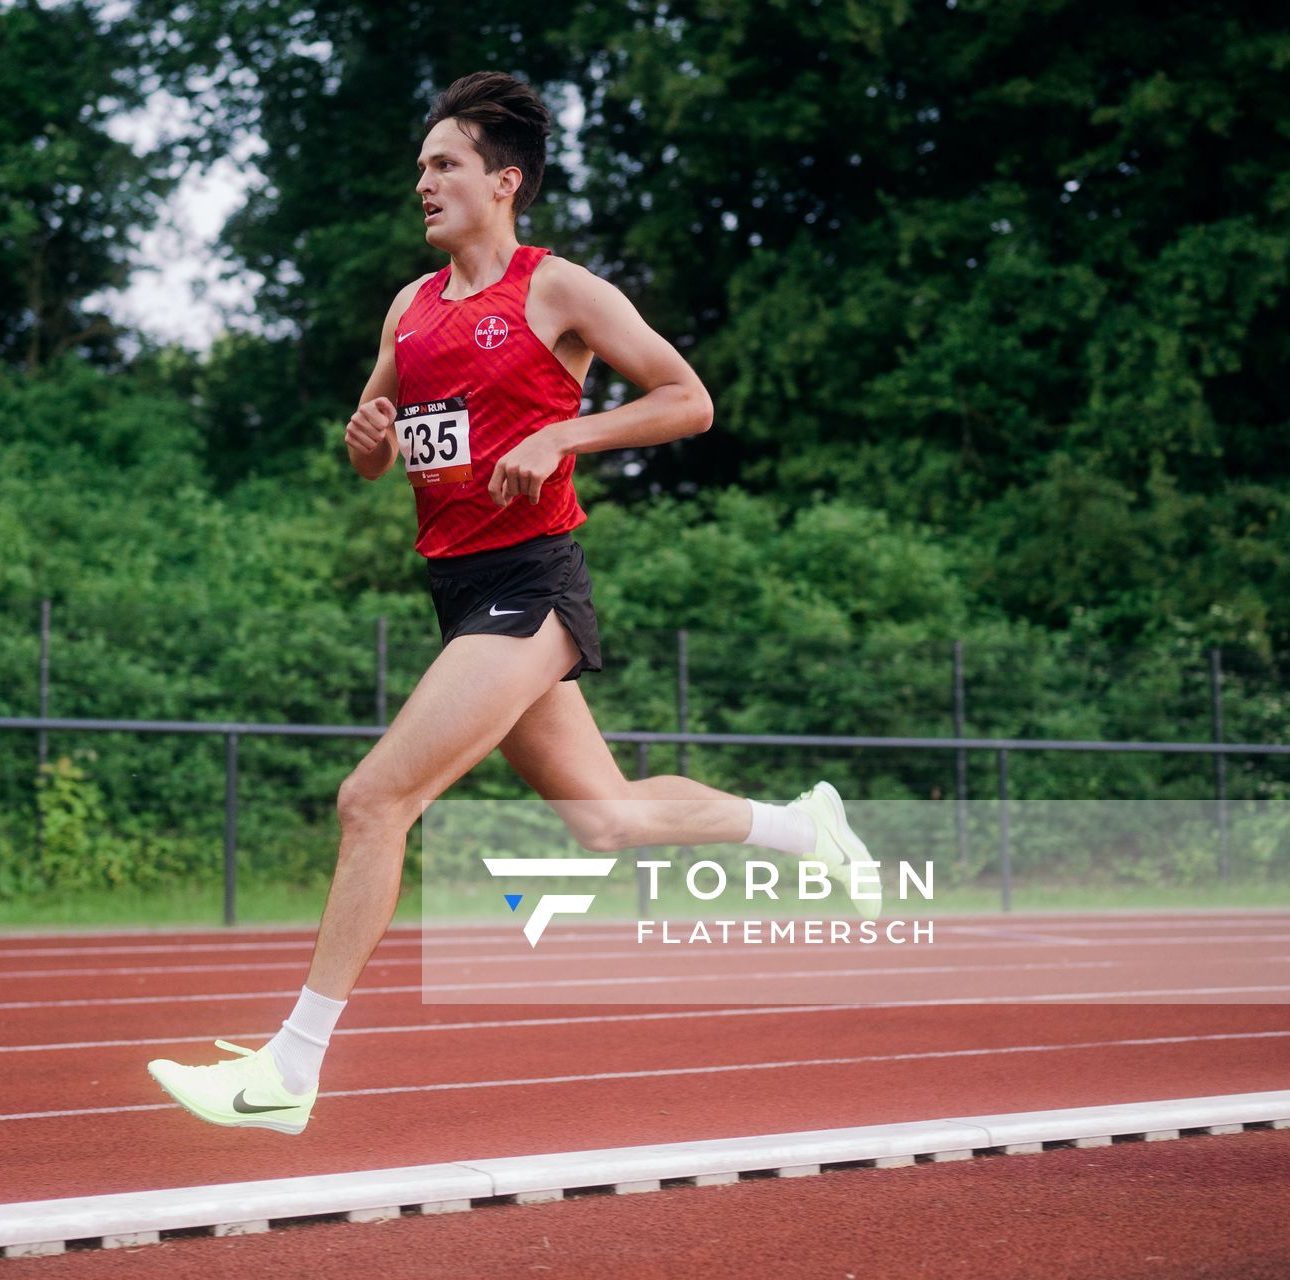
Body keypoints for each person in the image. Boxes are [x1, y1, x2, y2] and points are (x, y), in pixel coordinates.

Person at [148, 71, 877, 1135]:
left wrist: (562, 434)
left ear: (505, 180)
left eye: (444, 165)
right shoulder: (410, 306)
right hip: (460, 589)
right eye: (420, 168)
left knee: (373, 799)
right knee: (604, 817)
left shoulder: (557, 289)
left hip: (534, 582)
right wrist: (364, 444)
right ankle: (803, 828)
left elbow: (690, 400)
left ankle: (288, 1070)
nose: (424, 184)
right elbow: (376, 441)